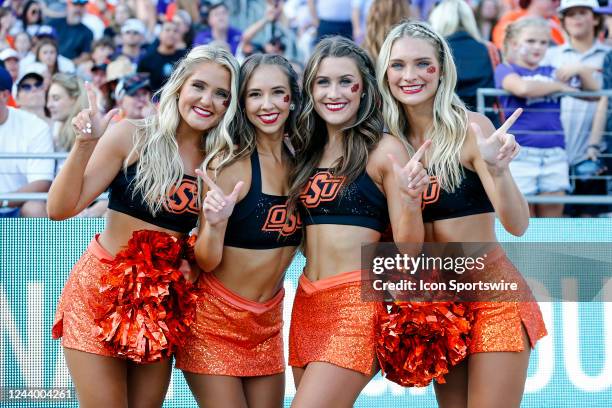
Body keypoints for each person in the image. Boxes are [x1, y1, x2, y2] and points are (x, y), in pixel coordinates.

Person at [48, 45, 240, 406]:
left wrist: (214, 226)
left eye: (221, 94)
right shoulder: (131, 136)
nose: (207, 100)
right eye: (199, 86)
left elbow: (208, 261)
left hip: (160, 304)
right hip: (99, 293)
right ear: (179, 86)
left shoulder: (219, 164)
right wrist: (84, 144)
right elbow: (60, 209)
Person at [377, 20, 547, 407]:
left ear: (442, 70)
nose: (411, 75)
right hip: (435, 306)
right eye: (398, 65)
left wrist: (499, 171)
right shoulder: (383, 142)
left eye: (423, 64)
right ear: (385, 71)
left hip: (492, 294)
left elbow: (518, 224)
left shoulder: (472, 129)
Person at [286, 36, 430, 407]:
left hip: (357, 303)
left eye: (345, 82)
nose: (334, 93)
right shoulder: (303, 149)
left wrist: (411, 202)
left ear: (363, 88)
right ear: (310, 90)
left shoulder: (384, 149)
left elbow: (410, 248)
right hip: (307, 301)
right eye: (323, 82)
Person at [175, 53, 303, 408]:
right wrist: (214, 225)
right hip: (214, 322)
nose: (267, 105)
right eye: (254, 94)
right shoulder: (228, 164)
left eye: (278, 93)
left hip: (267, 325)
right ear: (241, 104)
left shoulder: (303, 164)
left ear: (293, 98)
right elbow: (206, 259)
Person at [496, 17, 578, 217]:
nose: (538, 47)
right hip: (520, 154)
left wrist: (581, 70)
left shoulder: (552, 71)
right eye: (531, 41)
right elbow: (523, 88)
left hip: (555, 152)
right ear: (515, 44)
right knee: (526, 223)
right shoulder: (506, 69)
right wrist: (559, 86)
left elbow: (590, 91)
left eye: (543, 43)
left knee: (552, 225)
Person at [542, 0, 610, 216]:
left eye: (583, 12)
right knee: (556, 221)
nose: (577, 19)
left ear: (596, 18)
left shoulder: (607, 55)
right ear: (562, 21)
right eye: (570, 14)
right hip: (556, 151)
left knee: (592, 223)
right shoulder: (549, 55)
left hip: (596, 153)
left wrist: (581, 70)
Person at [0, 66, 53, 218]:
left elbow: (42, 182)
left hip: (19, 206)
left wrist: (3, 200)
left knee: (35, 208)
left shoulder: (35, 126)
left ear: (4, 95)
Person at [138, 20, 187, 95]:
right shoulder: (147, 60)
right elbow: (141, 88)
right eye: (167, 30)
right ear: (159, 34)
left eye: (175, 31)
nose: (171, 34)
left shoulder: (185, 58)